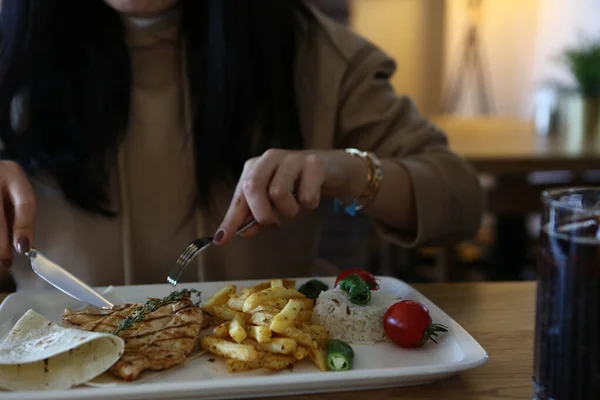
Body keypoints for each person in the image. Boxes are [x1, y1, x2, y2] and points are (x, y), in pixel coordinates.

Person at [0, 0, 484, 291]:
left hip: (272, 374)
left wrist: (349, 171)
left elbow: (460, 201)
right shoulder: (11, 46)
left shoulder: (311, 49)